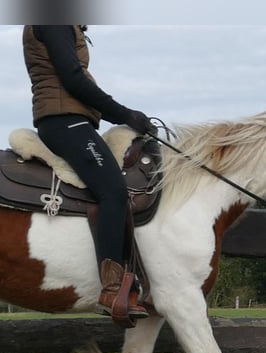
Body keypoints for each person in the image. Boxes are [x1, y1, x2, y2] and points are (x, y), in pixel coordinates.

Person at [22, 24, 154, 324]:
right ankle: (111, 289)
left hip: (72, 120)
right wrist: (125, 114)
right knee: (114, 191)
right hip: (64, 121)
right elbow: (73, 79)